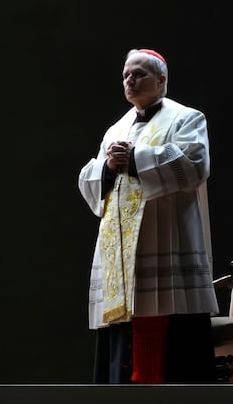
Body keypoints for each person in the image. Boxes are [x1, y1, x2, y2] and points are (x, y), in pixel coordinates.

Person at [77, 47, 218, 384]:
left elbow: (195, 164)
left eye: (139, 74)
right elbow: (90, 180)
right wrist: (108, 168)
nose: (130, 80)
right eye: (126, 74)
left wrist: (137, 158)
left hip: (166, 240)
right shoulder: (116, 129)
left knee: (174, 350)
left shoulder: (186, 118)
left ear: (161, 79)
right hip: (121, 261)